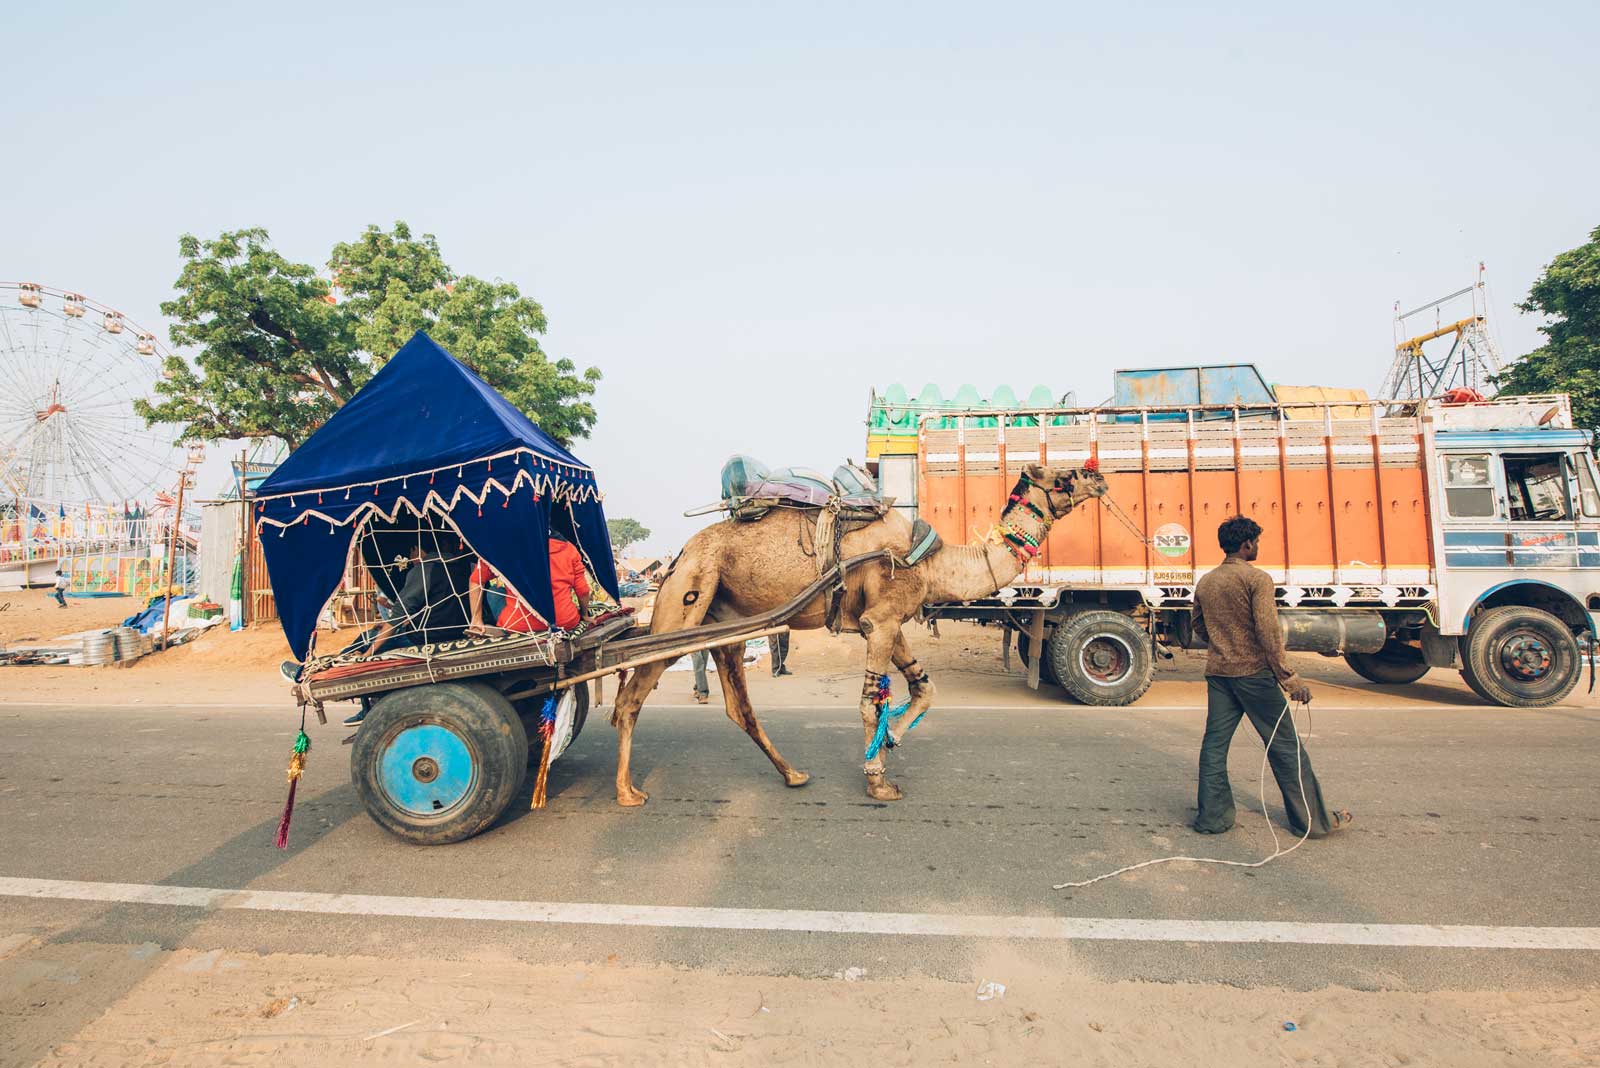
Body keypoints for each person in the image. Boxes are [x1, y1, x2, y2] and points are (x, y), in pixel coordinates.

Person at [1190, 515, 1352, 839]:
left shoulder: (1206, 581)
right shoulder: (1257, 579)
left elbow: (1198, 626)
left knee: (1214, 746)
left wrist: (1225, 644)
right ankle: (1313, 822)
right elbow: (1268, 633)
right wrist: (1290, 680)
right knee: (1286, 748)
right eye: (1257, 542)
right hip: (1254, 676)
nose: (1258, 547)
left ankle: (1213, 818)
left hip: (1220, 675)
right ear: (1247, 544)